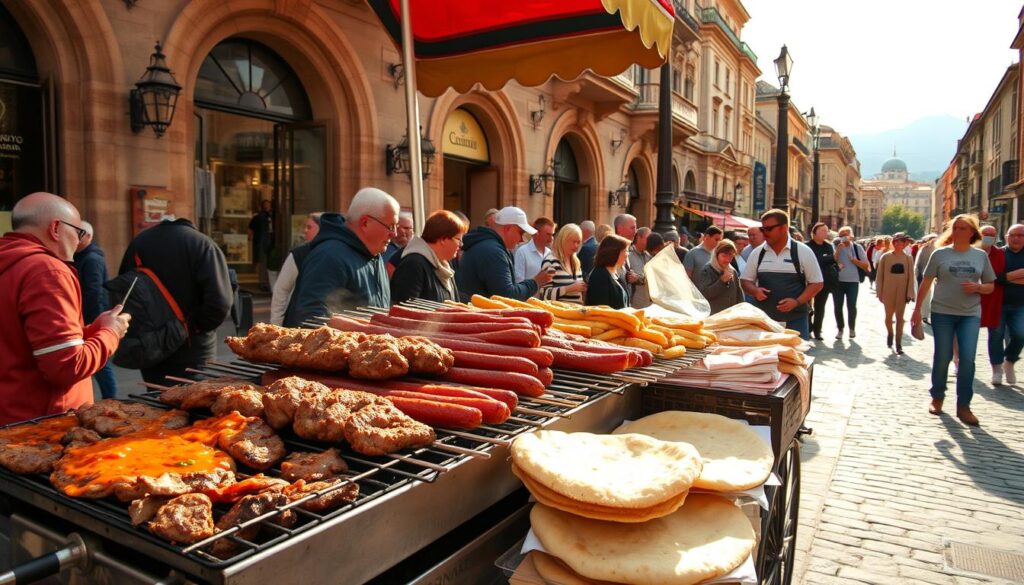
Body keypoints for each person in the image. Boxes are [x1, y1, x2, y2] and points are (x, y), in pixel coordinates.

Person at [0, 193, 130, 424]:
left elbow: (22, 343)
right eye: (77, 232)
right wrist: (112, 332)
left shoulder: (11, 262)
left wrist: (94, 330)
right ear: (55, 228)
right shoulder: (47, 271)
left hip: (13, 416)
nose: (78, 242)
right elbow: (67, 367)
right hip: (44, 424)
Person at [120, 216, 232, 384]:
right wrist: (195, 326)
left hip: (151, 344)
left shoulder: (139, 243)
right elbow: (220, 303)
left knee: (156, 395)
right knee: (194, 396)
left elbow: (124, 292)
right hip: (191, 347)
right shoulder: (202, 244)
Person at [911, 214, 995, 426]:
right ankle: (937, 396)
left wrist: (978, 287)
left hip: (970, 314)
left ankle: (964, 405)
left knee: (967, 359)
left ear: (972, 233)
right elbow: (926, 282)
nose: (957, 231)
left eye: (963, 228)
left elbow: (990, 286)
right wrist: (917, 310)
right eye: (955, 228)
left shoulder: (980, 256)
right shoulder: (940, 254)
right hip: (943, 312)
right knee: (943, 356)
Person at [285, 188, 398, 326]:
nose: (394, 234)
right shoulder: (328, 256)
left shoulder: (375, 254)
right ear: (365, 223)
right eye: (391, 226)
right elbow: (311, 319)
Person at [741, 209, 824, 340]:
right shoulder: (757, 253)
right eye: (762, 229)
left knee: (797, 352)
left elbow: (817, 283)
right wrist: (755, 291)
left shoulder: (803, 251)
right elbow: (745, 281)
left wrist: (796, 302)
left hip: (796, 320)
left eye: (768, 229)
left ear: (783, 228)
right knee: (768, 353)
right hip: (765, 320)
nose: (765, 233)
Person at [456, 206, 553, 301]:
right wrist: (536, 282)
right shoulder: (493, 251)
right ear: (508, 228)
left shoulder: (491, 247)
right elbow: (507, 296)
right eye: (521, 233)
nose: (521, 239)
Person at [73, 221, 118, 399]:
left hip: (93, 314)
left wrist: (87, 318)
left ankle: (110, 398)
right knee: (95, 361)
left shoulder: (92, 258)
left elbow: (94, 291)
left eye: (79, 234)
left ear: (89, 236)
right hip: (89, 314)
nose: (75, 238)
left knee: (100, 362)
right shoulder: (80, 256)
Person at [390, 210, 466, 304]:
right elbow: (404, 307)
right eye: (458, 239)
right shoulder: (413, 264)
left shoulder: (444, 266)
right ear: (443, 238)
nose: (461, 244)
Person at [270, 212, 322, 325]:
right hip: (298, 322)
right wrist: (276, 323)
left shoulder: (338, 253)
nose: (305, 231)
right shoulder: (299, 254)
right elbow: (281, 290)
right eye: (305, 227)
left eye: (309, 227)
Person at [876, 233, 916, 354]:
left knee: (900, 318)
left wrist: (910, 293)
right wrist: (879, 292)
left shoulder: (908, 258)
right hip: (888, 291)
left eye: (901, 242)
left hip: (902, 292)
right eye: (896, 241)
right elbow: (880, 276)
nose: (898, 244)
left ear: (904, 244)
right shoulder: (885, 257)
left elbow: (911, 277)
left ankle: (898, 343)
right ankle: (890, 333)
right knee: (888, 317)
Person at [995, 223, 1024, 385]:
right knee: (996, 336)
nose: (1016, 238)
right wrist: (1019, 274)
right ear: (1006, 237)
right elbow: (995, 277)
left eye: (1020, 235)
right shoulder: (999, 254)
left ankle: (1010, 361)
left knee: (1020, 334)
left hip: (1021, 304)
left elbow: (1002, 278)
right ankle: (997, 369)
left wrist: (1006, 278)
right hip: (998, 303)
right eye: (1012, 235)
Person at [979, 224, 1007, 384]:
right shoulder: (972, 252)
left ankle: (997, 368)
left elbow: (1003, 276)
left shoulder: (1001, 254)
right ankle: (961, 362)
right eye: (985, 234)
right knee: (966, 334)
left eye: (992, 234)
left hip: (995, 299)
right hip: (972, 299)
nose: (988, 237)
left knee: (996, 334)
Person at [834, 226, 870, 339]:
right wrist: (838, 250)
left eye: (845, 235)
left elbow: (866, 265)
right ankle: (840, 329)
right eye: (841, 236)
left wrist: (854, 260)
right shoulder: (835, 246)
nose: (843, 238)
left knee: (852, 306)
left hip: (853, 282)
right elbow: (832, 260)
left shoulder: (857, 248)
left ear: (851, 236)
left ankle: (852, 329)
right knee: (837, 306)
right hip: (838, 281)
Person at [540, 223, 587, 304]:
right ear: (563, 240)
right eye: (573, 241)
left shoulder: (576, 262)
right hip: (558, 311)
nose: (576, 245)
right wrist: (569, 288)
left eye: (578, 242)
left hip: (576, 310)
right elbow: (544, 295)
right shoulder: (551, 262)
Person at [806, 223, 838, 341]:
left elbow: (832, 261)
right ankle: (808, 328)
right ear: (814, 233)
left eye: (826, 231)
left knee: (820, 307)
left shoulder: (828, 246)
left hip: (824, 281)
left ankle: (817, 331)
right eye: (822, 231)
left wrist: (829, 259)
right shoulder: (806, 246)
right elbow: (817, 261)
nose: (825, 233)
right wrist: (827, 259)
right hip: (808, 281)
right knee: (807, 306)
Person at [694, 239, 744, 314]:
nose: (727, 260)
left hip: (731, 315)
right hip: (714, 316)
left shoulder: (732, 271)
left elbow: (739, 294)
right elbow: (704, 294)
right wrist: (722, 281)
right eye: (724, 256)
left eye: (730, 256)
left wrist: (741, 310)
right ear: (716, 255)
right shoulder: (707, 270)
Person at [586, 234, 631, 309]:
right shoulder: (600, 274)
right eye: (625, 251)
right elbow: (601, 308)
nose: (627, 254)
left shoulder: (615, 273)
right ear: (613, 252)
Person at [514, 217, 556, 283]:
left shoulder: (550, 253)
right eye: (548, 234)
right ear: (536, 233)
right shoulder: (522, 252)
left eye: (552, 234)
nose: (551, 238)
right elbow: (518, 282)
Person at [248, 199, 274, 290]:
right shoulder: (259, 217)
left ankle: (265, 282)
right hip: (263, 242)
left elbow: (250, 230)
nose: (268, 207)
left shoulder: (271, 217)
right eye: (266, 205)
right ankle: (264, 282)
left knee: (265, 262)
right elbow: (250, 229)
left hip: (265, 242)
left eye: (269, 205)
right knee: (264, 262)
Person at [915, 233, 938, 325]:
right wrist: (917, 274)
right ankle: (924, 315)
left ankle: (928, 315)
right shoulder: (924, 249)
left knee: (932, 297)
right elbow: (917, 263)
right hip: (925, 276)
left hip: (937, 277)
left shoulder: (940, 248)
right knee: (926, 296)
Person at [383, 212, 414, 276]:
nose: (402, 231)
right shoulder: (382, 249)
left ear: (413, 231)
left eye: (406, 228)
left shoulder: (417, 250)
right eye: (398, 227)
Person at [627, 227, 652, 308]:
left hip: (648, 303)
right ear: (638, 238)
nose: (650, 242)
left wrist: (638, 278)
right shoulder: (628, 255)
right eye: (648, 239)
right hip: (634, 304)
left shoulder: (649, 256)